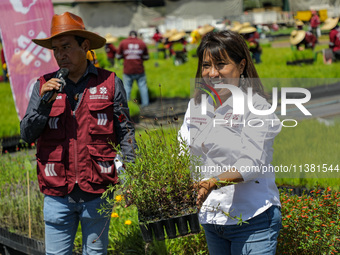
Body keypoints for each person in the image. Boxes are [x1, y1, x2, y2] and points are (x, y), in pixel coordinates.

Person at [20, 12, 136, 254]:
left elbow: (125, 132)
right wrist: (44, 104)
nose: (61, 54)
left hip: (96, 190)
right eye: (55, 49)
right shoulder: (43, 85)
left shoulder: (110, 83)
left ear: (85, 46)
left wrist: (134, 174)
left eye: (66, 47)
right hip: (56, 192)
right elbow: (27, 135)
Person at [179, 30, 282, 254]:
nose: (212, 73)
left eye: (221, 65)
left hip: (252, 219)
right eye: (206, 65)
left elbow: (252, 163)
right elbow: (183, 151)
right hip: (212, 218)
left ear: (242, 65)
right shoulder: (196, 106)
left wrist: (212, 182)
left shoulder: (257, 107)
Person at [116, 30, 149, 106]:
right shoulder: (142, 43)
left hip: (128, 70)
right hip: (139, 69)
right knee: (143, 86)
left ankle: (126, 105)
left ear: (129, 35)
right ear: (136, 35)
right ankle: (145, 104)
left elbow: (118, 56)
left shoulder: (123, 42)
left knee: (127, 88)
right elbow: (146, 57)